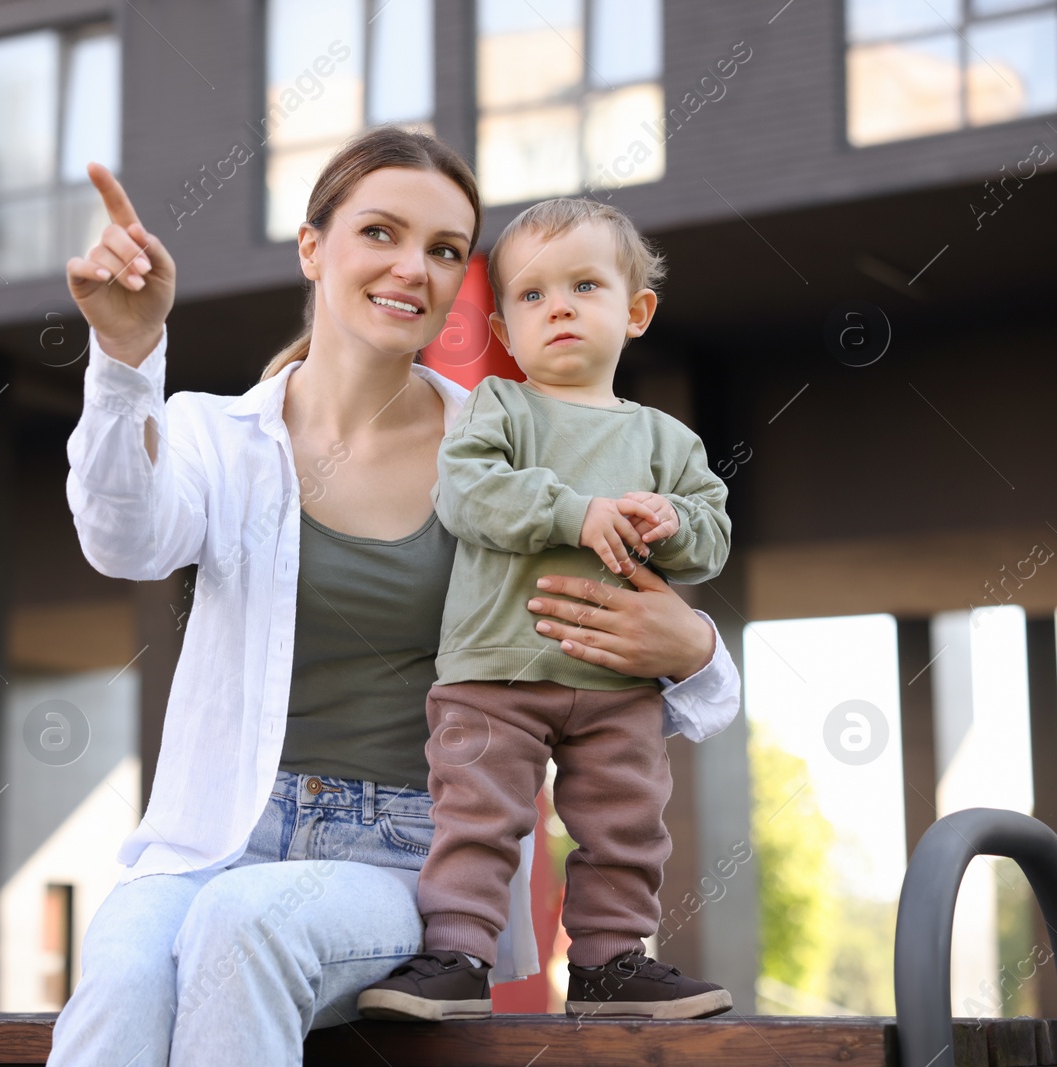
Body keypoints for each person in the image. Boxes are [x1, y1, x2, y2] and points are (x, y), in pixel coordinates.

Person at [51, 126, 740, 1067]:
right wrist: (126, 359)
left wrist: (693, 648)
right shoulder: (218, 434)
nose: (412, 267)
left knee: (243, 927)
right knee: (126, 982)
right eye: (380, 231)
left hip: (410, 856)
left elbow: (635, 658)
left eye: (446, 249)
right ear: (312, 247)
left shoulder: (503, 447)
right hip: (215, 837)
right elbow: (122, 540)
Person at [357, 197, 733, 1024]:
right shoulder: (500, 408)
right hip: (496, 673)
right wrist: (577, 512)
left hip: (620, 687)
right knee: (476, 818)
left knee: (627, 825)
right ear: (504, 327)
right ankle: (455, 953)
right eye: (531, 297)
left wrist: (674, 525)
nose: (557, 306)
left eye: (584, 286)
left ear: (635, 313)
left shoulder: (667, 440)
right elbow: (467, 493)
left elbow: (713, 533)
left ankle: (608, 963)